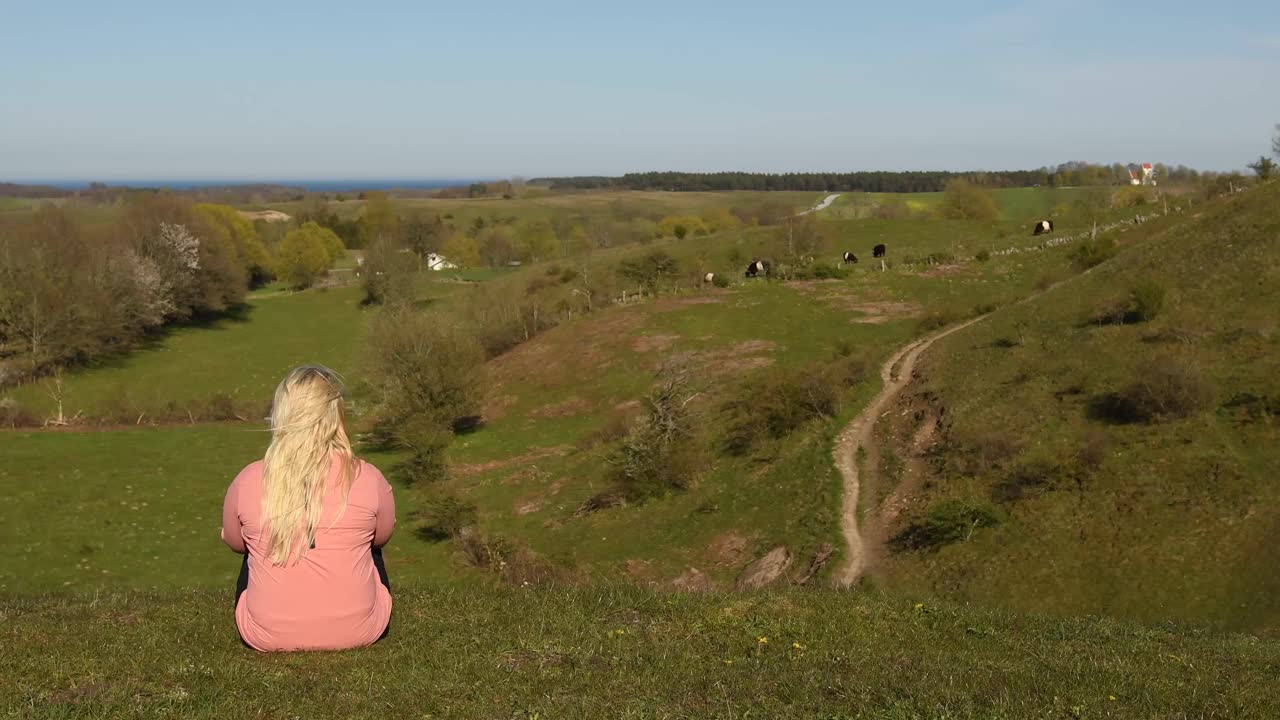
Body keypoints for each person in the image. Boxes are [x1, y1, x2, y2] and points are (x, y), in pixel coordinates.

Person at [221, 365, 395, 651]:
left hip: (265, 636)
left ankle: (277, 614)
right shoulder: (367, 476)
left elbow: (236, 543)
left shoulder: (249, 478)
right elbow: (383, 537)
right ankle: (349, 609)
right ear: (335, 415)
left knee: (254, 546)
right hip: (361, 631)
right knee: (370, 544)